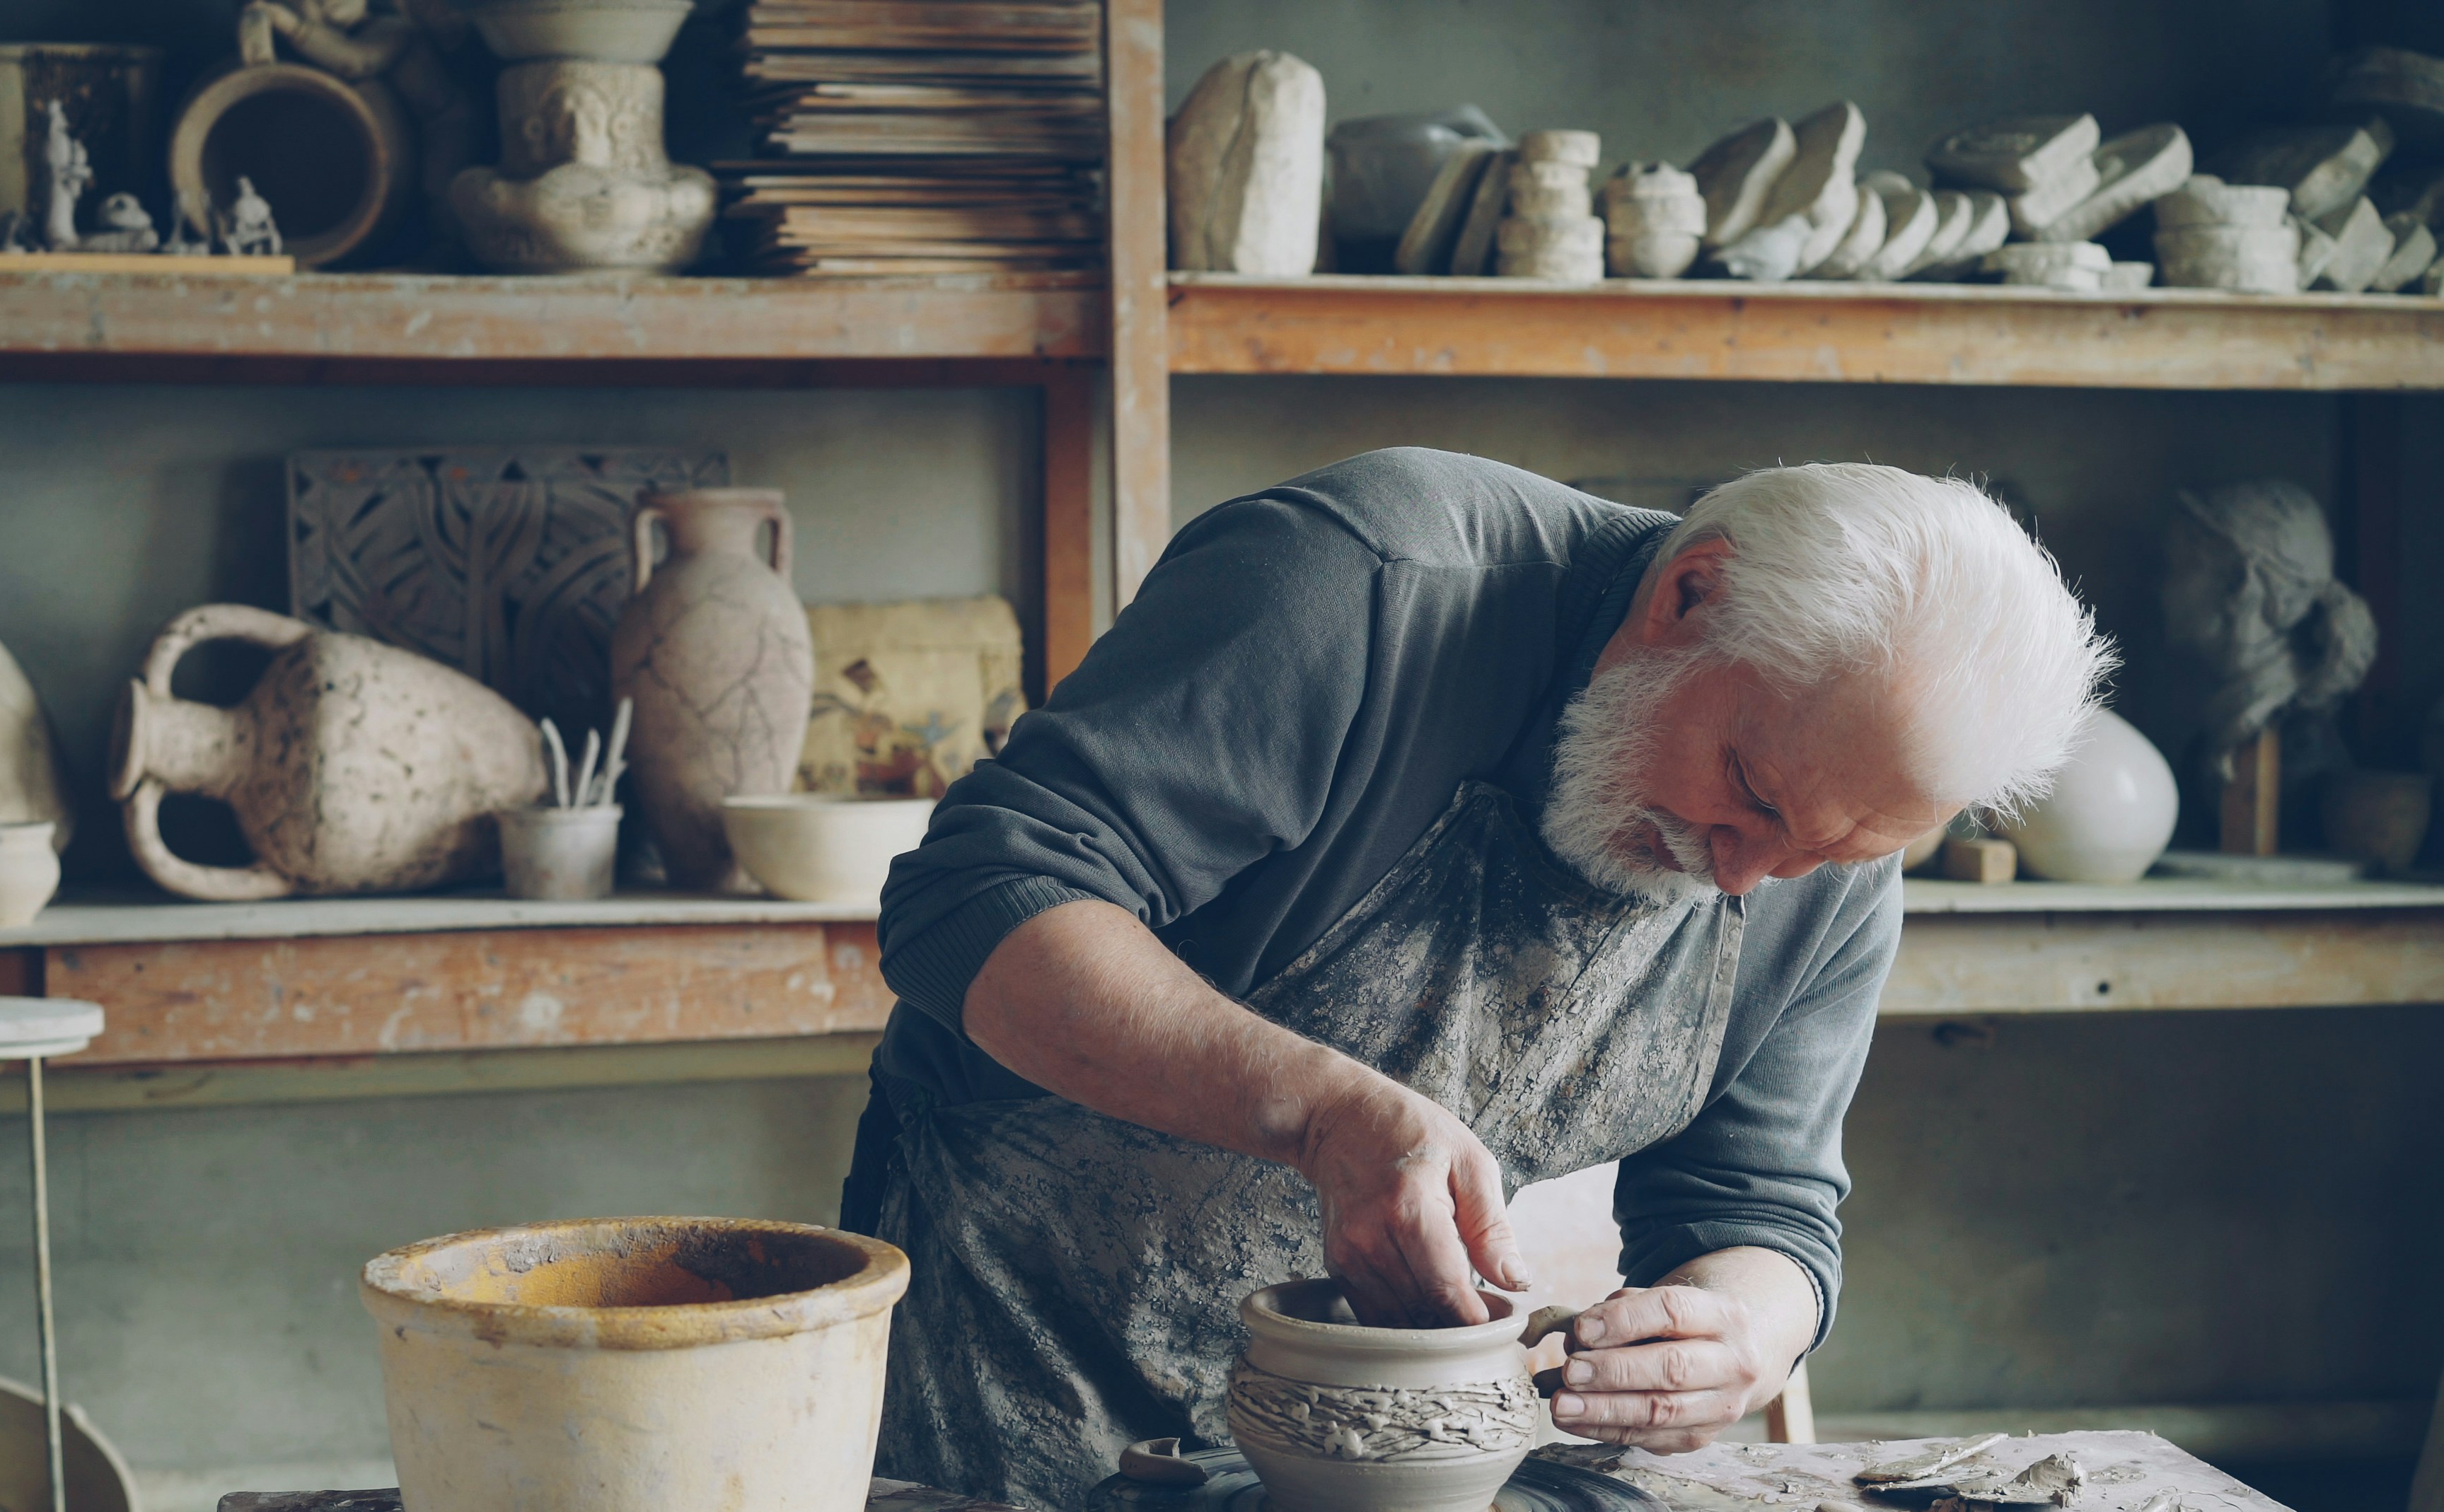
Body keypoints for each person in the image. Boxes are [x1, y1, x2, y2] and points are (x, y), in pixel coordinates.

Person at [843, 448, 2112, 1510]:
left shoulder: (1828, 819)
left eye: (1826, 853)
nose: (1744, 878)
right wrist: (1318, 1109)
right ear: (1689, 595)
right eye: (1751, 795)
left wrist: (1740, 1328)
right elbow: (972, 900)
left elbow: (1763, 1210)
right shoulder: (1362, 585)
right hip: (1015, 1382)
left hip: (1409, 1457)